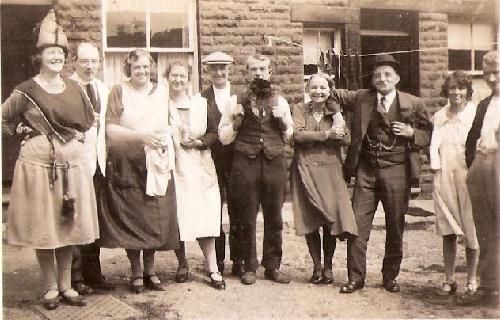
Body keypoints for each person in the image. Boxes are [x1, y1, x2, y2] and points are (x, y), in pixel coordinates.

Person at [2, 9, 98, 309]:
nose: (55, 57)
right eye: (49, 53)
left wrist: (79, 137)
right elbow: (4, 118)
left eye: (60, 52)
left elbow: (89, 120)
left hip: (72, 167)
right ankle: (49, 288)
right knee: (46, 227)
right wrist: (21, 129)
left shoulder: (74, 88)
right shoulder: (26, 91)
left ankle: (67, 285)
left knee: (68, 226)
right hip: (38, 167)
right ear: (39, 58)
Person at [331, 54, 432, 293]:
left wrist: (410, 133)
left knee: (394, 225)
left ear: (397, 78)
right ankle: (356, 277)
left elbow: (428, 133)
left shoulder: (413, 103)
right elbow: (332, 94)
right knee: (357, 224)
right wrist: (337, 115)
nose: (382, 79)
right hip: (366, 169)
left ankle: (390, 276)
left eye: (387, 75)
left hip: (397, 168)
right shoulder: (361, 98)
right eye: (377, 75)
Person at [98, 49, 179, 293]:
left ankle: (150, 271)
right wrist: (141, 136)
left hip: (155, 163)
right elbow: (110, 130)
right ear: (128, 70)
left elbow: (171, 123)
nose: (141, 72)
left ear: (151, 68)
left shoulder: (163, 92)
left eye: (145, 67)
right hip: (127, 164)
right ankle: (135, 272)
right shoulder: (118, 92)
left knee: (154, 216)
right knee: (132, 218)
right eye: (136, 68)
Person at [219, 54, 294, 285]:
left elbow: (289, 134)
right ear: (246, 73)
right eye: (253, 69)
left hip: (274, 162)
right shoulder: (235, 100)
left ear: (269, 72)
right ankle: (248, 266)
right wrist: (236, 122)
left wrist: (282, 122)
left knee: (274, 216)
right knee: (246, 215)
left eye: (262, 69)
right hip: (245, 162)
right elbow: (223, 137)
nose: (258, 73)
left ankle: (272, 266)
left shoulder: (280, 101)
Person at [291, 73, 358, 284]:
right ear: (308, 90)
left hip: (330, 170)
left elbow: (346, 139)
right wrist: (328, 135)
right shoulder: (300, 109)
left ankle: (328, 267)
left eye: (323, 88)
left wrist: (337, 118)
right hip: (305, 168)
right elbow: (298, 136)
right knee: (310, 219)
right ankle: (316, 267)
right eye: (314, 88)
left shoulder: (335, 112)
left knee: (330, 218)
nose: (318, 92)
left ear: (330, 91)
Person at [167, 60, 226, 290]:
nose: (178, 80)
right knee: (178, 214)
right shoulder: (161, 105)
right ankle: (182, 263)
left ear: (188, 78)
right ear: (167, 77)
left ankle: (213, 268)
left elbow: (214, 132)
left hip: (200, 164)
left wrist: (200, 142)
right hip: (173, 164)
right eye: (174, 75)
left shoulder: (201, 103)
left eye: (182, 75)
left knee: (205, 216)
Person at [69, 42, 114, 295]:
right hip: (75, 163)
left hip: (97, 164)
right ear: (74, 61)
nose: (89, 67)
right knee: (76, 220)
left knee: (94, 219)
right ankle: (75, 278)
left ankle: (93, 274)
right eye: (84, 61)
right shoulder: (66, 88)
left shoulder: (101, 88)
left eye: (94, 61)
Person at [430, 71, 479, 296]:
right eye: (452, 88)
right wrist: (435, 171)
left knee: (471, 228)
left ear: (468, 91)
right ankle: (449, 279)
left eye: (460, 88)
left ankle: (471, 278)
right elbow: (433, 147)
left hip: (469, 176)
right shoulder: (439, 116)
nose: (456, 92)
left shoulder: (475, 114)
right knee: (448, 228)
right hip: (444, 176)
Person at [458, 51, 500, 306]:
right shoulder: (485, 103)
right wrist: (473, 164)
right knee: (484, 228)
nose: (493, 78)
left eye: (497, 73)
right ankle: (489, 287)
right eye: (488, 74)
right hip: (482, 166)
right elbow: (472, 135)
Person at [200, 51, 244, 276]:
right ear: (208, 70)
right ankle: (215, 261)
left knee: (237, 209)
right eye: (214, 68)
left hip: (237, 160)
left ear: (229, 70)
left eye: (222, 68)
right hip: (212, 160)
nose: (218, 72)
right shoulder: (201, 98)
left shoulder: (240, 95)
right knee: (213, 210)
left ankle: (239, 260)